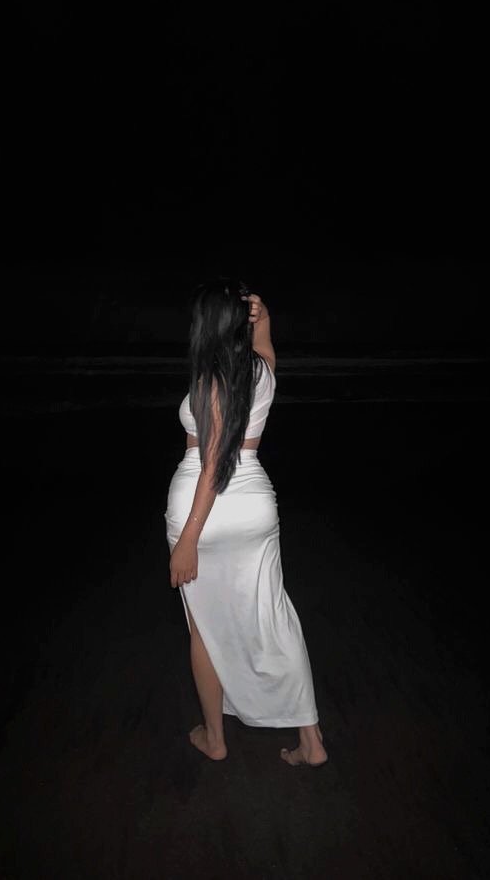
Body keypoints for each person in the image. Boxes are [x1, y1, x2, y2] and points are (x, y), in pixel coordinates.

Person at [165, 277, 328, 767]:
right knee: (273, 615)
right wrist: (264, 315)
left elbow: (214, 462)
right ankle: (311, 741)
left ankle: (215, 738)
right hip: (254, 505)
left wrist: (188, 538)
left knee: (204, 628)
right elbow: (267, 347)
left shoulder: (210, 377)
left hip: (203, 509)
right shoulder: (262, 372)